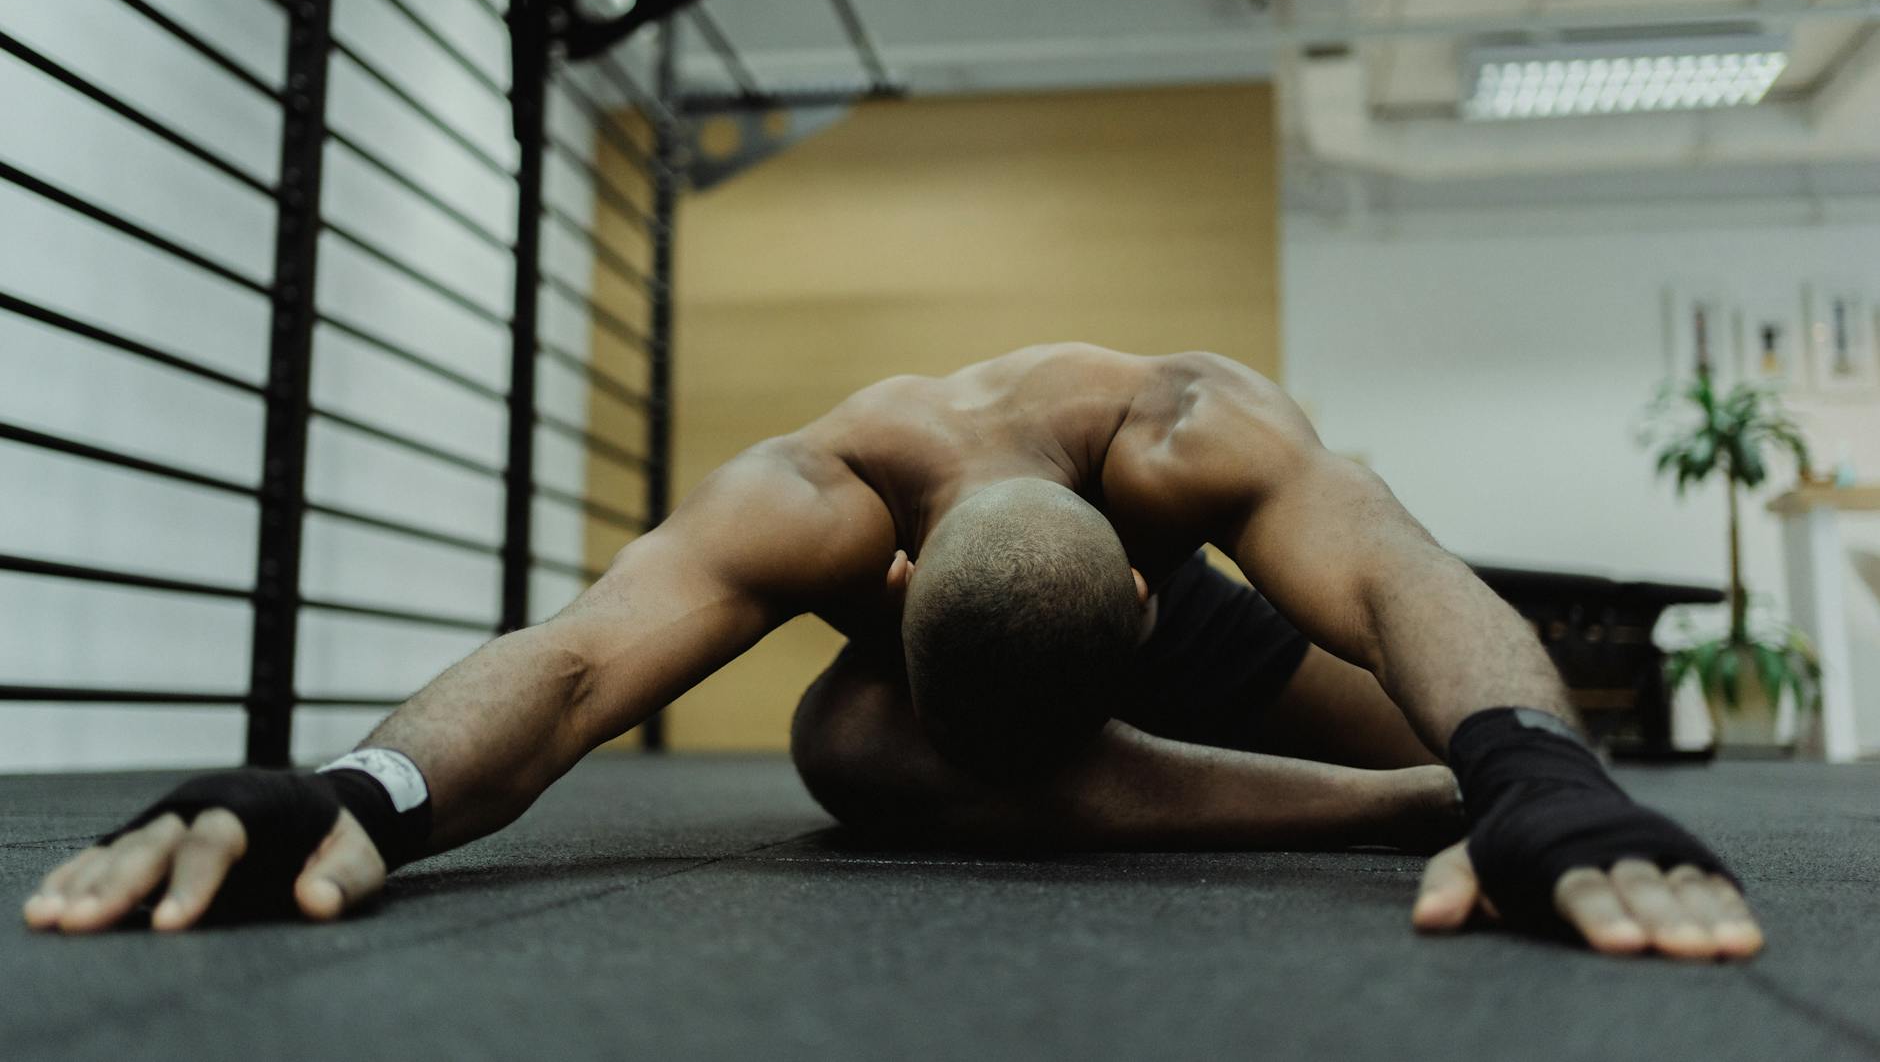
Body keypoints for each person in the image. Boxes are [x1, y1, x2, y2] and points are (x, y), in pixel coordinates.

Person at [22, 344, 1761, 958]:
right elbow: (569, 666)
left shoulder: (1189, 431)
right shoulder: (807, 499)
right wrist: (359, 788)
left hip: (1214, 652)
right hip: (943, 682)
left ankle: (1435, 782)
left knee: (1487, 723)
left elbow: (1388, 569)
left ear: (1145, 601)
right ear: (898, 572)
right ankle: (1390, 807)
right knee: (851, 760)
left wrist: (1534, 765)